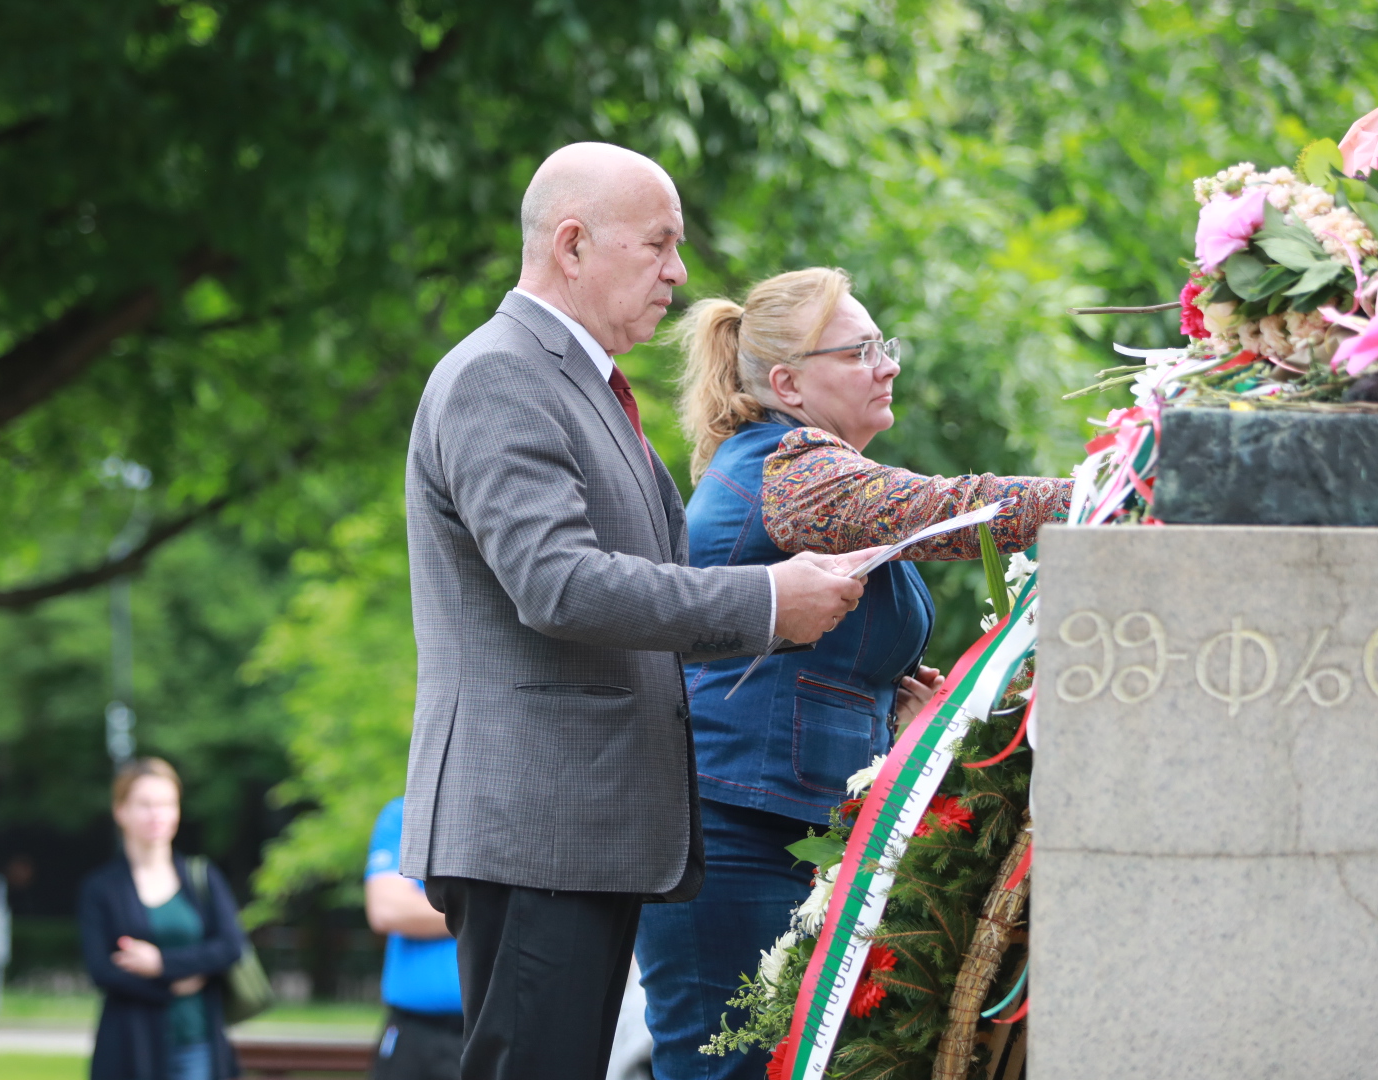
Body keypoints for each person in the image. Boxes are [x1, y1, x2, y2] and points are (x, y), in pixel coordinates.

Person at [401, 143, 873, 1080]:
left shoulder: (579, 384)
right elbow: (560, 585)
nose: (679, 273)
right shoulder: (502, 375)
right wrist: (768, 600)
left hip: (582, 830)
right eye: (658, 244)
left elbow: (639, 596)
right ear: (572, 245)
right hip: (539, 829)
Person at [635, 267, 1073, 1080]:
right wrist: (1107, 499)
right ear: (789, 383)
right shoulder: (794, 467)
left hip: (789, 825)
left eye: (886, 346)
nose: (889, 364)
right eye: (862, 350)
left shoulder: (810, 469)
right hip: (732, 831)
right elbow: (956, 509)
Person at [79, 758, 248, 1080]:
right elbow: (102, 970)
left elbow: (230, 946)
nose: (157, 814)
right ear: (121, 811)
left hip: (197, 1043)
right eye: (145, 804)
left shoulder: (202, 877)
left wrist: (160, 964)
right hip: (130, 1046)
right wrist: (175, 985)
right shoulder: (102, 888)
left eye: (167, 804)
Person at [365, 796, 462, 1080]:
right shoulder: (407, 811)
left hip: (490, 1030)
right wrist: (489, 913)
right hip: (411, 1031)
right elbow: (387, 911)